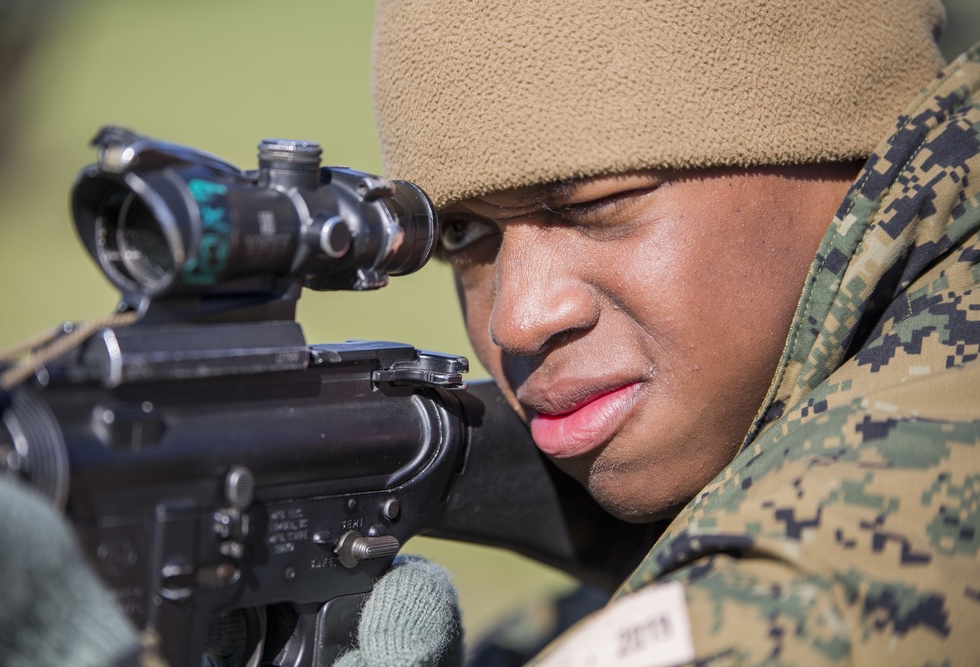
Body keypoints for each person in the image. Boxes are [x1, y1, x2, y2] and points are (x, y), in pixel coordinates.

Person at [339, 0, 980, 664]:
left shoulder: (816, 587)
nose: (517, 320)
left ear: (842, 152)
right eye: (464, 233)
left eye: (597, 202)